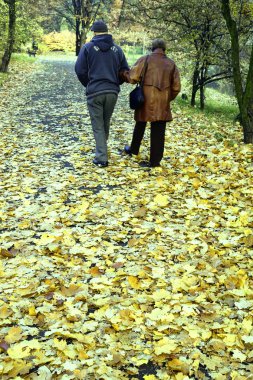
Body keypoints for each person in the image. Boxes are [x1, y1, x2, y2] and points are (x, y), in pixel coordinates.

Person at [75, 20, 129, 167]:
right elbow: (125, 71)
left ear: (94, 32)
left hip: (95, 92)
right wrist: (116, 83)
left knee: (98, 125)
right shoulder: (118, 50)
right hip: (112, 92)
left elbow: (80, 70)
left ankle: (101, 158)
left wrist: (89, 84)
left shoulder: (87, 48)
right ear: (106, 32)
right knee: (105, 123)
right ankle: (102, 150)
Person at [124, 38, 181, 167]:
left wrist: (123, 74)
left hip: (145, 99)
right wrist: (166, 98)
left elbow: (132, 77)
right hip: (162, 103)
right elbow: (176, 87)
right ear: (164, 49)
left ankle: (133, 150)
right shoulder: (171, 64)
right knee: (158, 131)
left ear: (152, 48)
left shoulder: (146, 59)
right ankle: (155, 162)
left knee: (140, 123)